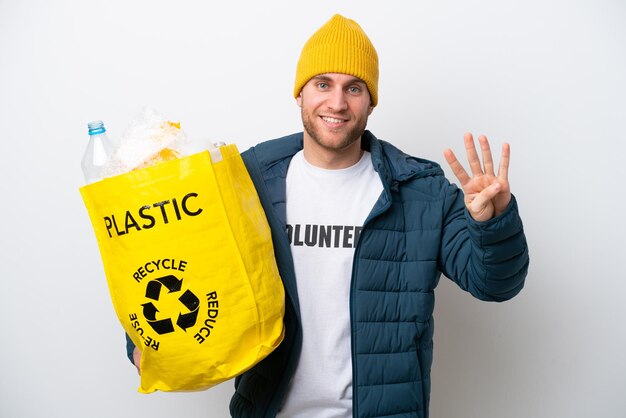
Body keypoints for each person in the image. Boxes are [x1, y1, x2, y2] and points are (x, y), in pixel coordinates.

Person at [128, 14, 529, 418]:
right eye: (323, 84)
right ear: (299, 94)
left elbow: (494, 284)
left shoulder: (422, 191)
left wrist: (492, 223)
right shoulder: (246, 182)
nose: (337, 103)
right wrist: (144, 342)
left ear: (370, 101)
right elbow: (184, 263)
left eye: (353, 88)